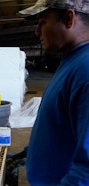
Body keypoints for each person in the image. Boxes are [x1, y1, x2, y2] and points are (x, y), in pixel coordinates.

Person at [18, 0, 89, 185]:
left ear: (68, 18)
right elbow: (59, 125)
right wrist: (27, 152)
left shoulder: (85, 70)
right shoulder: (71, 61)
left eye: (42, 22)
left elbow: (86, 171)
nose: (37, 31)